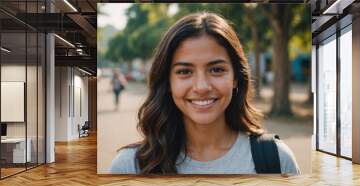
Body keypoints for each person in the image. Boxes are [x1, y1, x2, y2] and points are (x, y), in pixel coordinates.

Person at [110, 12, 300, 175]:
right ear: (168, 82)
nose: (201, 87)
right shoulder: (129, 166)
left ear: (235, 77)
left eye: (216, 70)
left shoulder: (276, 159)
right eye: (184, 72)